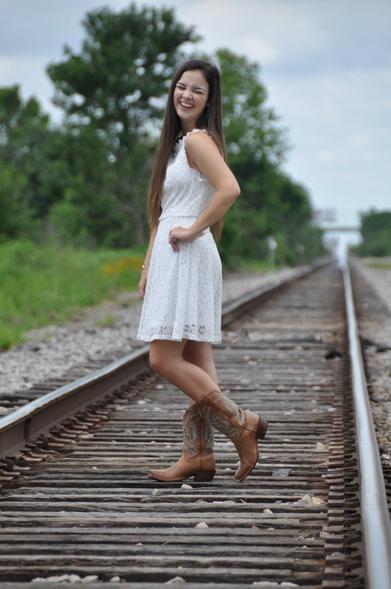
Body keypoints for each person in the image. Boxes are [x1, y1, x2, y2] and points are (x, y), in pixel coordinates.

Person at [136, 59, 267, 483]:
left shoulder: (197, 141)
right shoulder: (178, 145)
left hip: (187, 253)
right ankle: (199, 455)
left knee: (162, 358)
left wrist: (193, 229)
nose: (185, 95)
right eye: (181, 86)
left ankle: (241, 422)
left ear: (209, 102)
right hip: (175, 255)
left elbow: (230, 188)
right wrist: (147, 264)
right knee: (198, 358)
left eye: (197, 91)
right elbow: (162, 212)